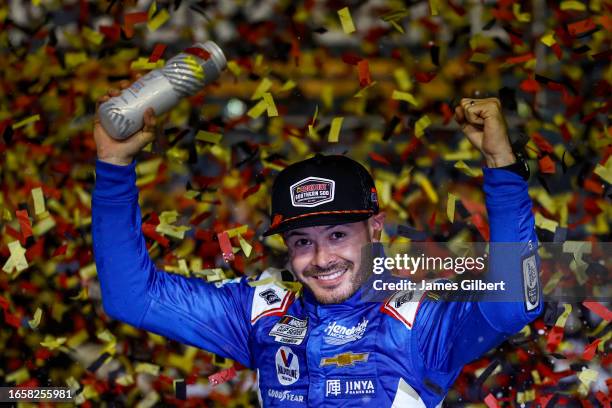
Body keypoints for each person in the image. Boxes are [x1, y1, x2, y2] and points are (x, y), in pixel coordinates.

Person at [92, 86, 542, 407]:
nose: (322, 258)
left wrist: (501, 168)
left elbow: (514, 304)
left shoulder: (419, 320)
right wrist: (114, 166)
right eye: (302, 241)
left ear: (377, 229)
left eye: (339, 235)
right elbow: (134, 298)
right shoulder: (261, 313)